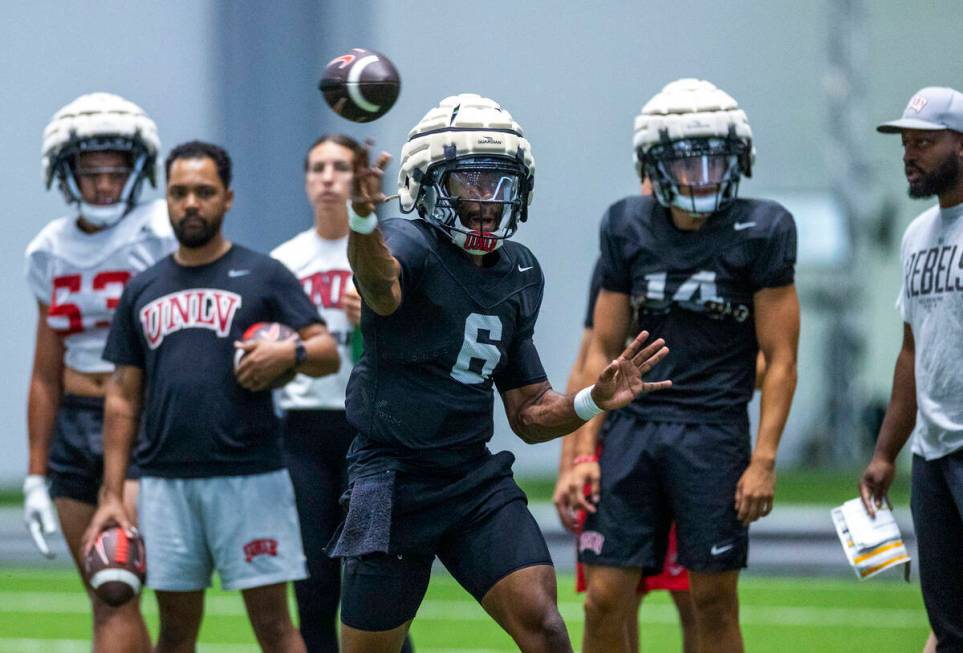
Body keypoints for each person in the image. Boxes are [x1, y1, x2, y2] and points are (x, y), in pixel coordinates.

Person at [330, 92, 672, 653]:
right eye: (471, 182)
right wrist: (363, 218)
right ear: (426, 183)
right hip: (393, 479)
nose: (488, 200)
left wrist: (592, 400)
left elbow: (530, 413)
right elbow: (380, 289)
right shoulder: (407, 243)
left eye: (500, 182)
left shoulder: (520, 271)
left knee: (546, 628)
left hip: (470, 479)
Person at [83, 140, 341, 653]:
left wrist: (287, 354)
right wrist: (112, 494)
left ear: (227, 198)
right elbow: (122, 397)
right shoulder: (144, 288)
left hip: (250, 478)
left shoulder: (263, 274)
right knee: (176, 631)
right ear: (167, 200)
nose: (191, 203)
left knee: (273, 626)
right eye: (179, 193)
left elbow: (326, 349)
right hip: (166, 483)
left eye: (204, 192)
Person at [570, 79, 799, 653]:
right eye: (684, 163)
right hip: (631, 429)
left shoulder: (764, 228)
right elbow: (601, 350)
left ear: (738, 160)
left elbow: (781, 357)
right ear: (652, 164)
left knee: (713, 603)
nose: (701, 177)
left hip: (713, 433)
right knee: (602, 599)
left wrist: (764, 459)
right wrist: (583, 451)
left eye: (713, 161)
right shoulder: (625, 224)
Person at [24, 92, 175, 653]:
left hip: (137, 417)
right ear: (66, 174)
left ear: (137, 171)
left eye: (117, 170)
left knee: (120, 583)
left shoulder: (159, 233)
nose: (106, 185)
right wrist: (36, 474)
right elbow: (45, 372)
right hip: (74, 420)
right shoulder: (47, 250)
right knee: (102, 590)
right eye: (92, 172)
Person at [271, 134, 413, 653]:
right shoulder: (283, 262)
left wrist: (379, 314)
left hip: (370, 431)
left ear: (360, 180)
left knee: (374, 577)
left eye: (339, 167)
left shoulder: (387, 252)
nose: (328, 178)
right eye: (317, 168)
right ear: (306, 181)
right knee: (312, 581)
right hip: (304, 432)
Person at [554, 221, 697, 653]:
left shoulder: (727, 246)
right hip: (620, 441)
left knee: (699, 597)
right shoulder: (622, 251)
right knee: (610, 598)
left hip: (695, 441)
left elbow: (764, 361)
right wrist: (573, 462)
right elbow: (588, 360)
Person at [859, 86, 963, 652]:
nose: (909, 154)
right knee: (948, 624)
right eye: (905, 143)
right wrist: (883, 454)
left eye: (924, 142)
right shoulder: (916, 237)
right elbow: (911, 351)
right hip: (933, 455)